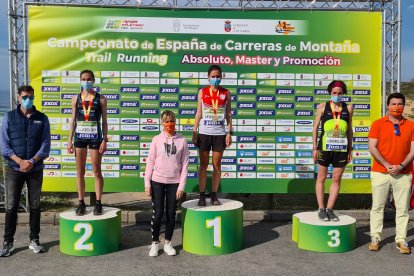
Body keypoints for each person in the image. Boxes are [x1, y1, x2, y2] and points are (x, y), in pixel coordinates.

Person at [0, 85, 50, 256]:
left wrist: (32, 161)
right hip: (15, 168)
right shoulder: (9, 117)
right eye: (25, 96)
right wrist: (19, 161)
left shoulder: (42, 118)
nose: (28, 99)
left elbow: (45, 146)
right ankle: (8, 242)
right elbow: (4, 145)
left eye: (31, 96)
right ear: (19, 98)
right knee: (11, 206)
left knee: (35, 205)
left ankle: (34, 240)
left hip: (35, 168)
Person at [368, 93, 414, 254]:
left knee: (402, 209)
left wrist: (400, 166)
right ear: (387, 105)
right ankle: (375, 237)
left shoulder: (411, 125)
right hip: (381, 172)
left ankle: (401, 240)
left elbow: (413, 150)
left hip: (404, 173)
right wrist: (388, 165)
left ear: (403, 105)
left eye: (400, 103)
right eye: (393, 103)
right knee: (377, 207)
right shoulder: (378, 124)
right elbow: (372, 147)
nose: (396, 106)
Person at [144, 110, 189, 257]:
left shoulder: (182, 140)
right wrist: (147, 183)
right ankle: (155, 243)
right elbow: (150, 162)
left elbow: (185, 165)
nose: (169, 124)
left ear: (175, 122)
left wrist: (181, 186)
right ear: (162, 123)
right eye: (166, 121)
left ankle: (168, 242)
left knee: (171, 214)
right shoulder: (156, 139)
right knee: (158, 214)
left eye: (171, 121)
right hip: (157, 181)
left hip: (174, 183)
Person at [67, 70, 108, 216]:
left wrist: (105, 139)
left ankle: (98, 203)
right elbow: (72, 121)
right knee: (80, 172)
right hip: (79, 139)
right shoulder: (75, 99)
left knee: (97, 171)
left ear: (93, 80)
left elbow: (104, 121)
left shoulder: (101, 99)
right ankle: (81, 203)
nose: (86, 81)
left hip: (95, 138)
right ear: (80, 80)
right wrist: (69, 140)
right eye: (84, 79)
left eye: (89, 79)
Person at [312, 80, 353, 221]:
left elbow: (349, 130)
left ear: (343, 94)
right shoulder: (323, 106)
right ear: (330, 93)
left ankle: (330, 209)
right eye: (334, 93)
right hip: (324, 148)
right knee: (321, 178)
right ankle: (321, 208)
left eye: (340, 93)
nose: (337, 95)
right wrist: (314, 148)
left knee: (336, 179)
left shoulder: (349, 108)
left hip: (341, 150)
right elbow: (315, 128)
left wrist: (350, 149)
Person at [192, 64, 232, 206]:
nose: (215, 79)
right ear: (208, 77)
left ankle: (214, 195)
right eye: (213, 76)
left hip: (219, 133)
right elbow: (198, 113)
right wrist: (195, 130)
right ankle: (202, 195)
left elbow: (228, 114)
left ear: (221, 77)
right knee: (203, 165)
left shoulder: (226, 93)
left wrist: (229, 132)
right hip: (204, 132)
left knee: (216, 165)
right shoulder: (202, 92)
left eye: (218, 76)